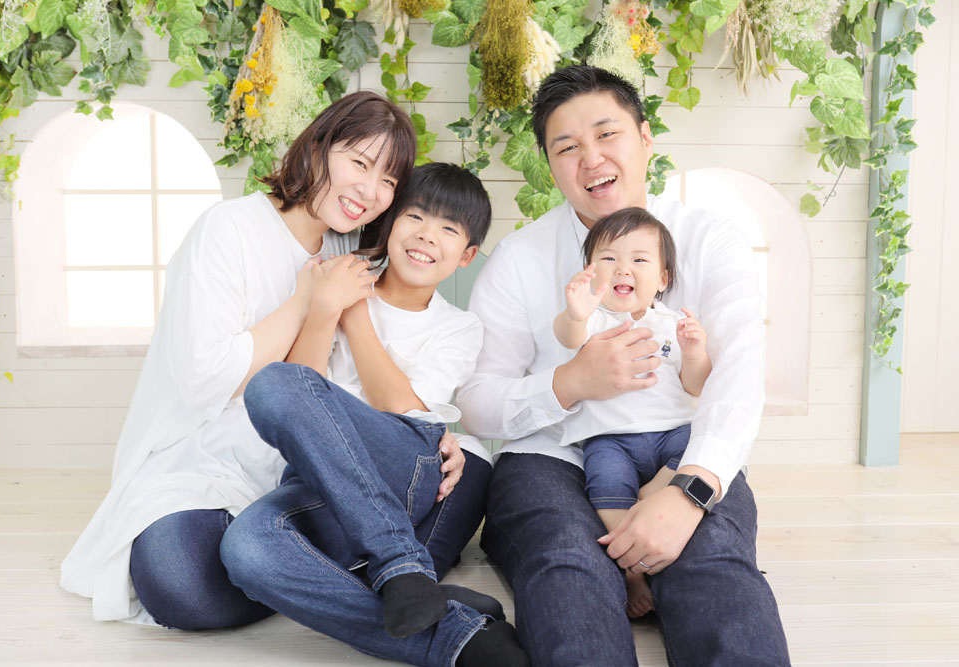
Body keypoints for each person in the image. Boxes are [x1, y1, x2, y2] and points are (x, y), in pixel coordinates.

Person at [59, 92, 490, 632]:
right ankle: (405, 600)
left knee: (461, 469)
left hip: (299, 467)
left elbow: (331, 390)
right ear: (317, 146)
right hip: (206, 463)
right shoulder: (229, 229)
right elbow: (206, 382)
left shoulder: (349, 250)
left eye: (387, 181)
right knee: (179, 585)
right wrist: (307, 302)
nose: (369, 191)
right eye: (359, 163)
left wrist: (428, 432)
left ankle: (348, 575)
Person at [456, 65, 791, 665]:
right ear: (549, 164)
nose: (591, 159)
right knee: (568, 562)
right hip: (552, 454)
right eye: (567, 146)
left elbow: (738, 373)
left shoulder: (709, 240)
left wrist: (690, 490)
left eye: (607, 134)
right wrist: (569, 383)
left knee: (711, 560)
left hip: (677, 449)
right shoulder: (519, 258)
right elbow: (475, 401)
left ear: (645, 139)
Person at [221, 163, 529, 666]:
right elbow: (291, 396)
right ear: (390, 222)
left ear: (466, 256)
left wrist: (356, 313)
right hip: (322, 481)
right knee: (247, 546)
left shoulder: (458, 327)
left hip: (404, 466)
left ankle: (397, 561)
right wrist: (326, 309)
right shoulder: (336, 286)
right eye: (416, 216)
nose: (427, 235)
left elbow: (401, 409)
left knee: (280, 383)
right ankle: (454, 634)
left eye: (448, 229)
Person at [552, 207, 711, 619]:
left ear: (662, 279)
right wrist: (575, 312)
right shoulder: (595, 320)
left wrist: (695, 352)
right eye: (609, 258)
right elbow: (567, 336)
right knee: (604, 486)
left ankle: (655, 492)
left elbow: (695, 386)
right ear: (591, 271)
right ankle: (632, 569)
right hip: (611, 438)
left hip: (671, 431)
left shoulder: (672, 323)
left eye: (639, 259)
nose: (623, 268)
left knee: (697, 447)